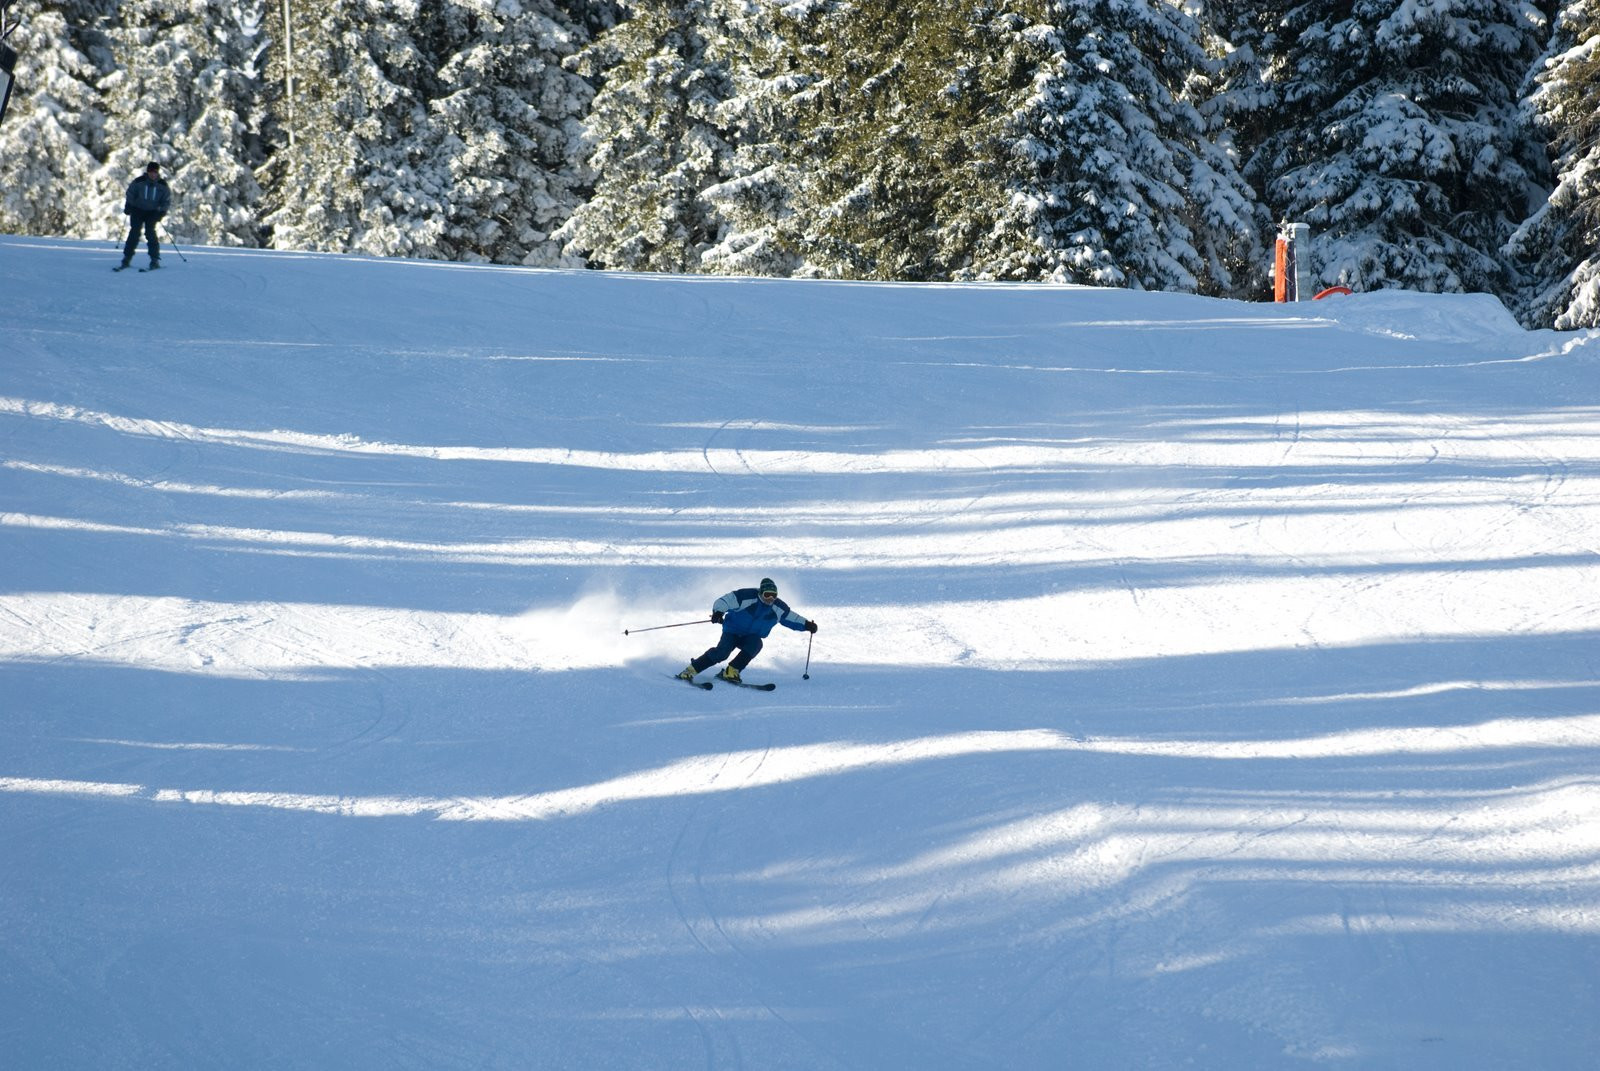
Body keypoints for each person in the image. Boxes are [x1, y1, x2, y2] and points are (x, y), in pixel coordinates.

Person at [677, 577, 817, 684]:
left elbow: (792, 618)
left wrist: (807, 625)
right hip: (732, 631)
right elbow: (725, 601)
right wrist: (718, 612)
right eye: (767, 594)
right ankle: (690, 670)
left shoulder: (778, 607)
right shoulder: (746, 596)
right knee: (722, 653)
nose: (770, 599)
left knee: (756, 644)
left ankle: (732, 671)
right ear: (761, 592)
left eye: (774, 595)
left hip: (750, 636)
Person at [119, 161, 171, 270]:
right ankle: (126, 258)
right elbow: (130, 194)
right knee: (134, 233)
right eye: (151, 172)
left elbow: (166, 200)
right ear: (147, 172)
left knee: (150, 233)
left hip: (152, 212)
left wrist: (162, 211)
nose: (153, 174)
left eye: (155, 172)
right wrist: (129, 205)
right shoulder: (139, 182)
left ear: (158, 173)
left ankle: (154, 260)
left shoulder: (162, 185)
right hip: (138, 210)